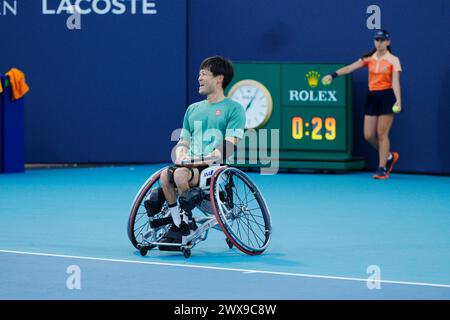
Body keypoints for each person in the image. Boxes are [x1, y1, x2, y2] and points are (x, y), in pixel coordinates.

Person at [158, 56, 246, 244]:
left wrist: (205, 158)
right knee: (165, 175)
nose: (199, 79)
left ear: (219, 78)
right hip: (189, 165)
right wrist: (181, 154)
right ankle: (178, 223)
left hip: (213, 166)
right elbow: (184, 140)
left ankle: (187, 223)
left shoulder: (234, 109)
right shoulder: (192, 109)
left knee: (180, 175)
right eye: (199, 74)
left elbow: (229, 144)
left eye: (204, 74)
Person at [322, 29, 402, 179]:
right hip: (372, 97)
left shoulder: (393, 60)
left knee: (382, 134)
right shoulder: (368, 59)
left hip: (387, 96)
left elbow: (395, 82)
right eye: (377, 40)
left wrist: (398, 100)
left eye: (382, 40)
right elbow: (350, 68)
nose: (379, 43)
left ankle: (382, 168)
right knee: (368, 135)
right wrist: (333, 75)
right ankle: (389, 156)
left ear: (388, 42)